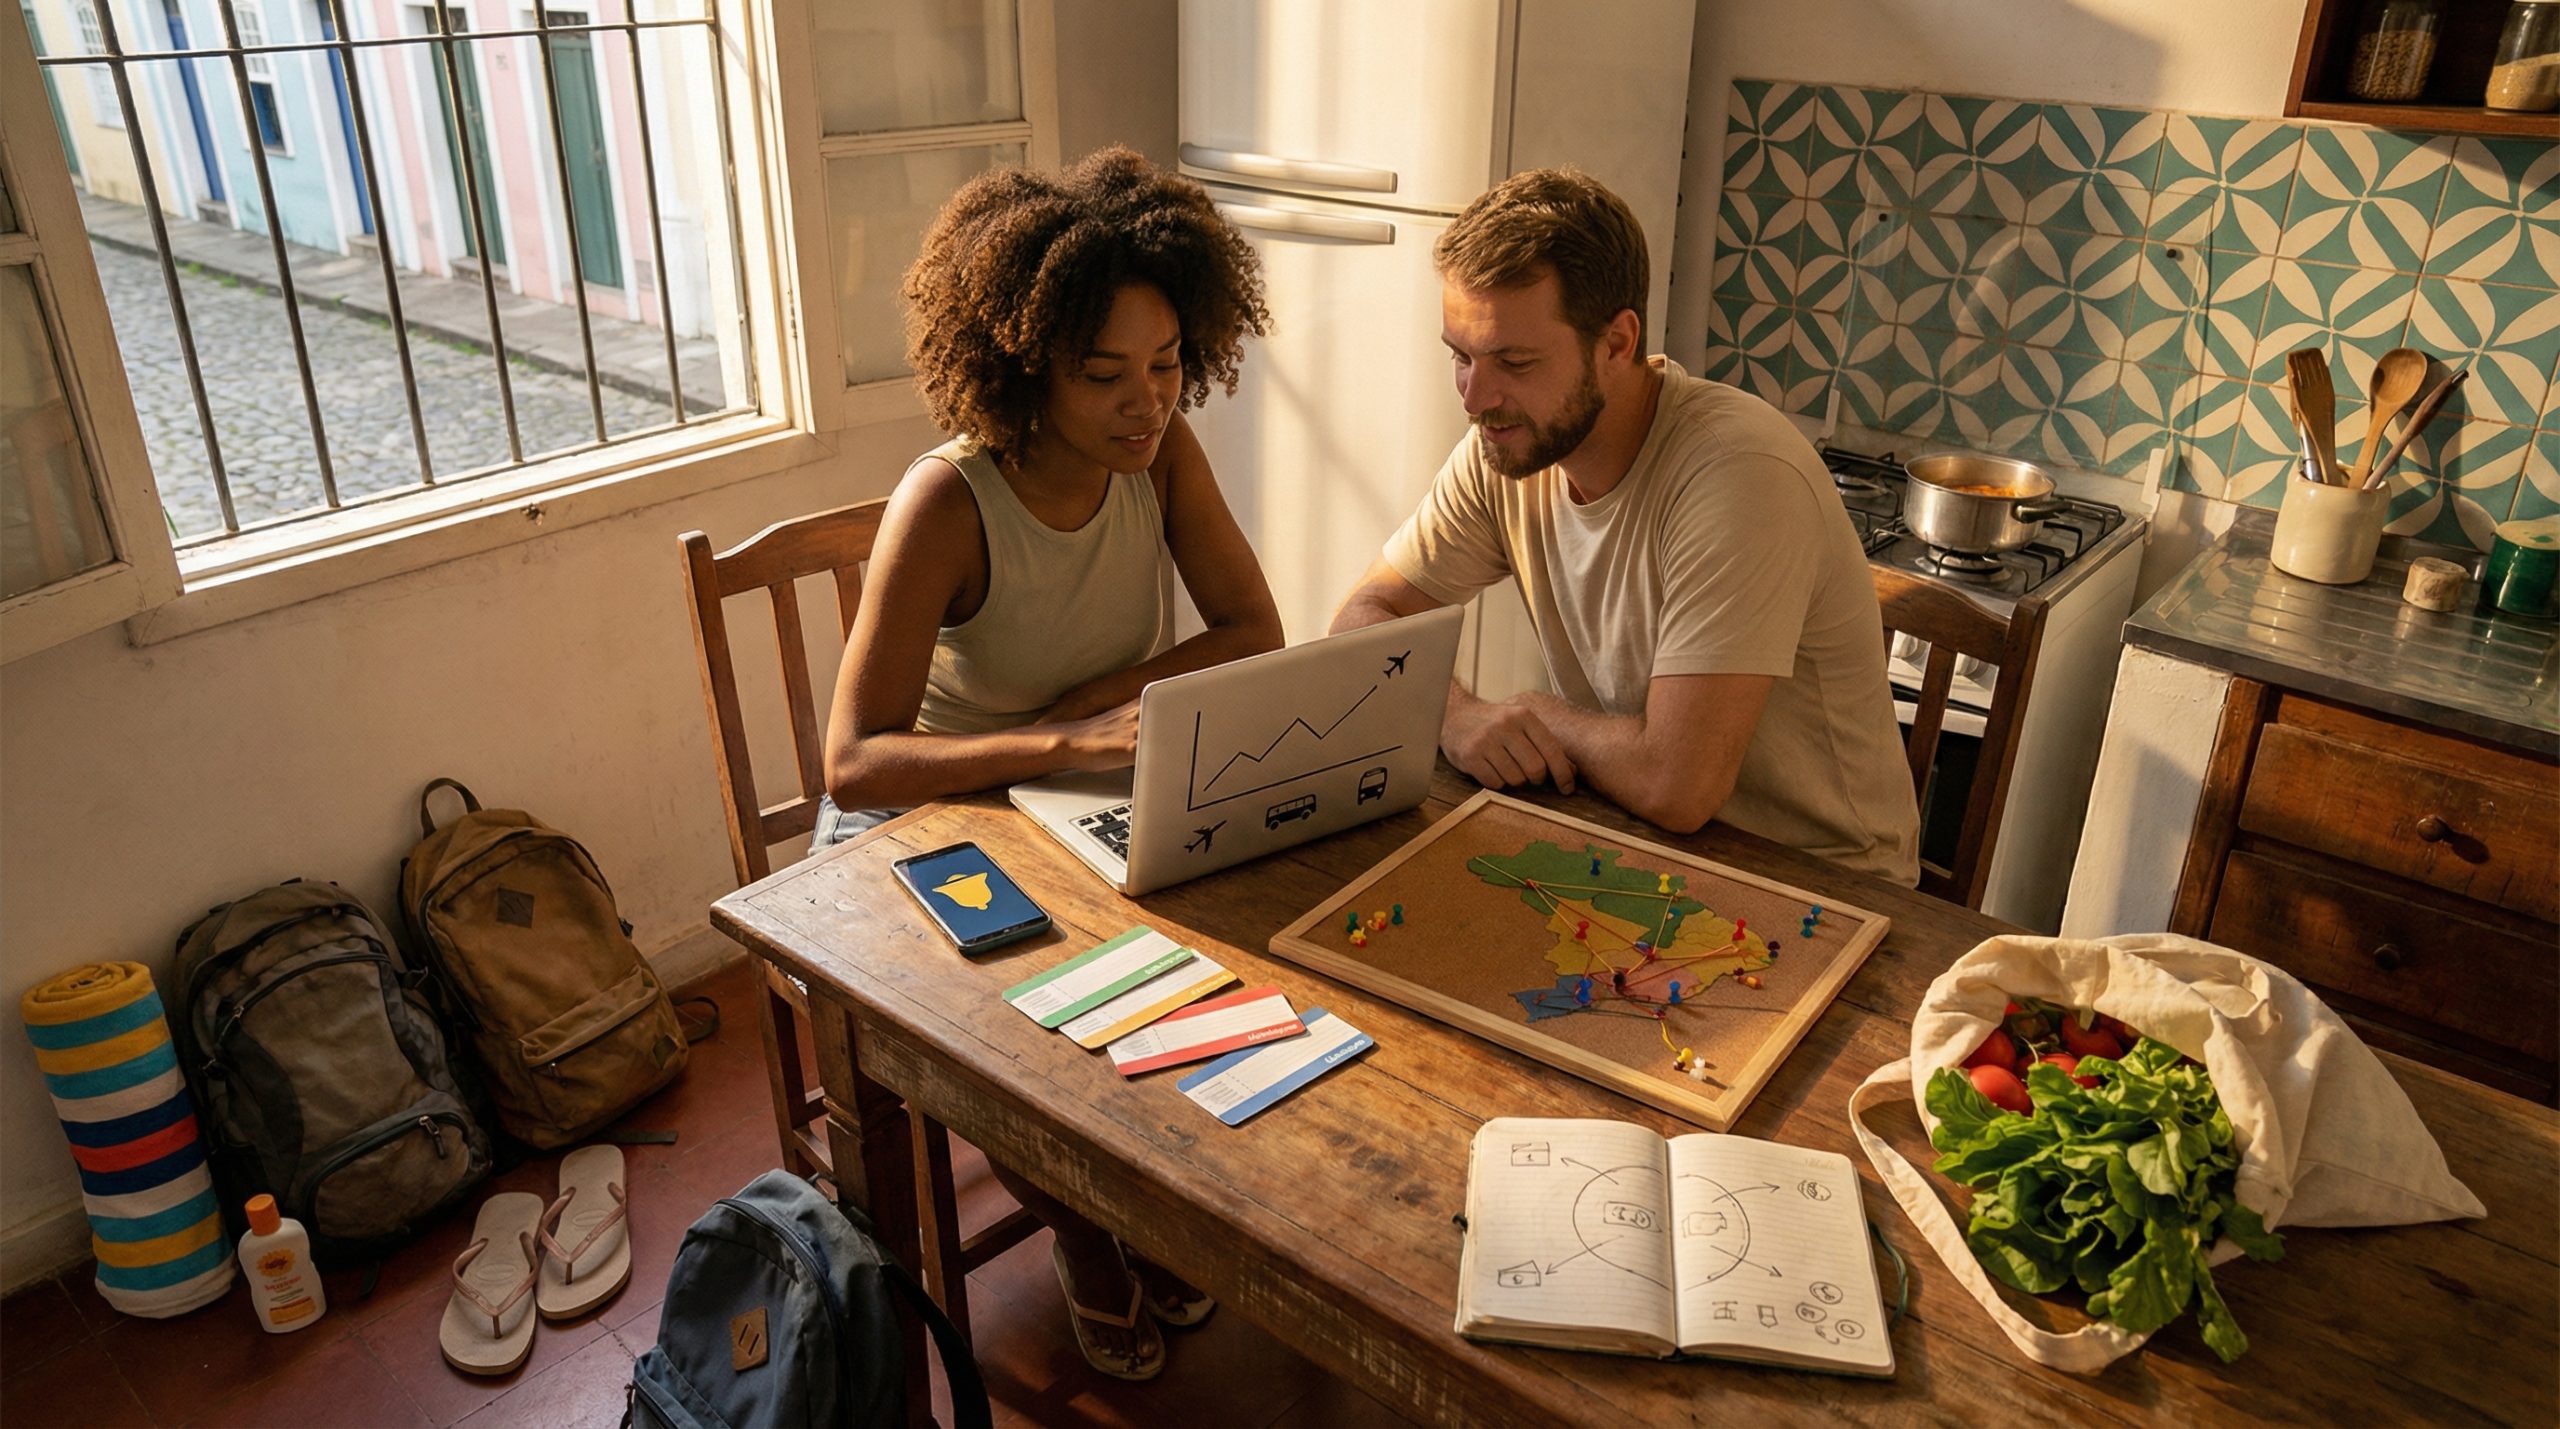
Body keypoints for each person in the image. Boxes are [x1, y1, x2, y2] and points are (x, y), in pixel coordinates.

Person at [812, 147, 1284, 1379]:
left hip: (1067, 789)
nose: (1148, 403)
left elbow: (1253, 630)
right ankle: (1083, 1220)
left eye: (1170, 365)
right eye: (1105, 374)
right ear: (1026, 364)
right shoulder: (950, 499)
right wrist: (1066, 740)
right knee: (1016, 1017)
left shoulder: (1162, 457)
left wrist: (1084, 718)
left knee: (1210, 941)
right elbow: (853, 762)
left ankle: (1144, 1189)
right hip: (922, 821)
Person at [1329, 168, 1920, 884]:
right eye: (1461, 356)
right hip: (1648, 847)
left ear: (1616, 342)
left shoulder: (1739, 473)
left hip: (1824, 882)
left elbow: (1677, 784)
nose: (1475, 398)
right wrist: (1453, 715)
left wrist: (1532, 711)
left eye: (1514, 362)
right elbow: (1364, 617)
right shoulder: (1507, 450)